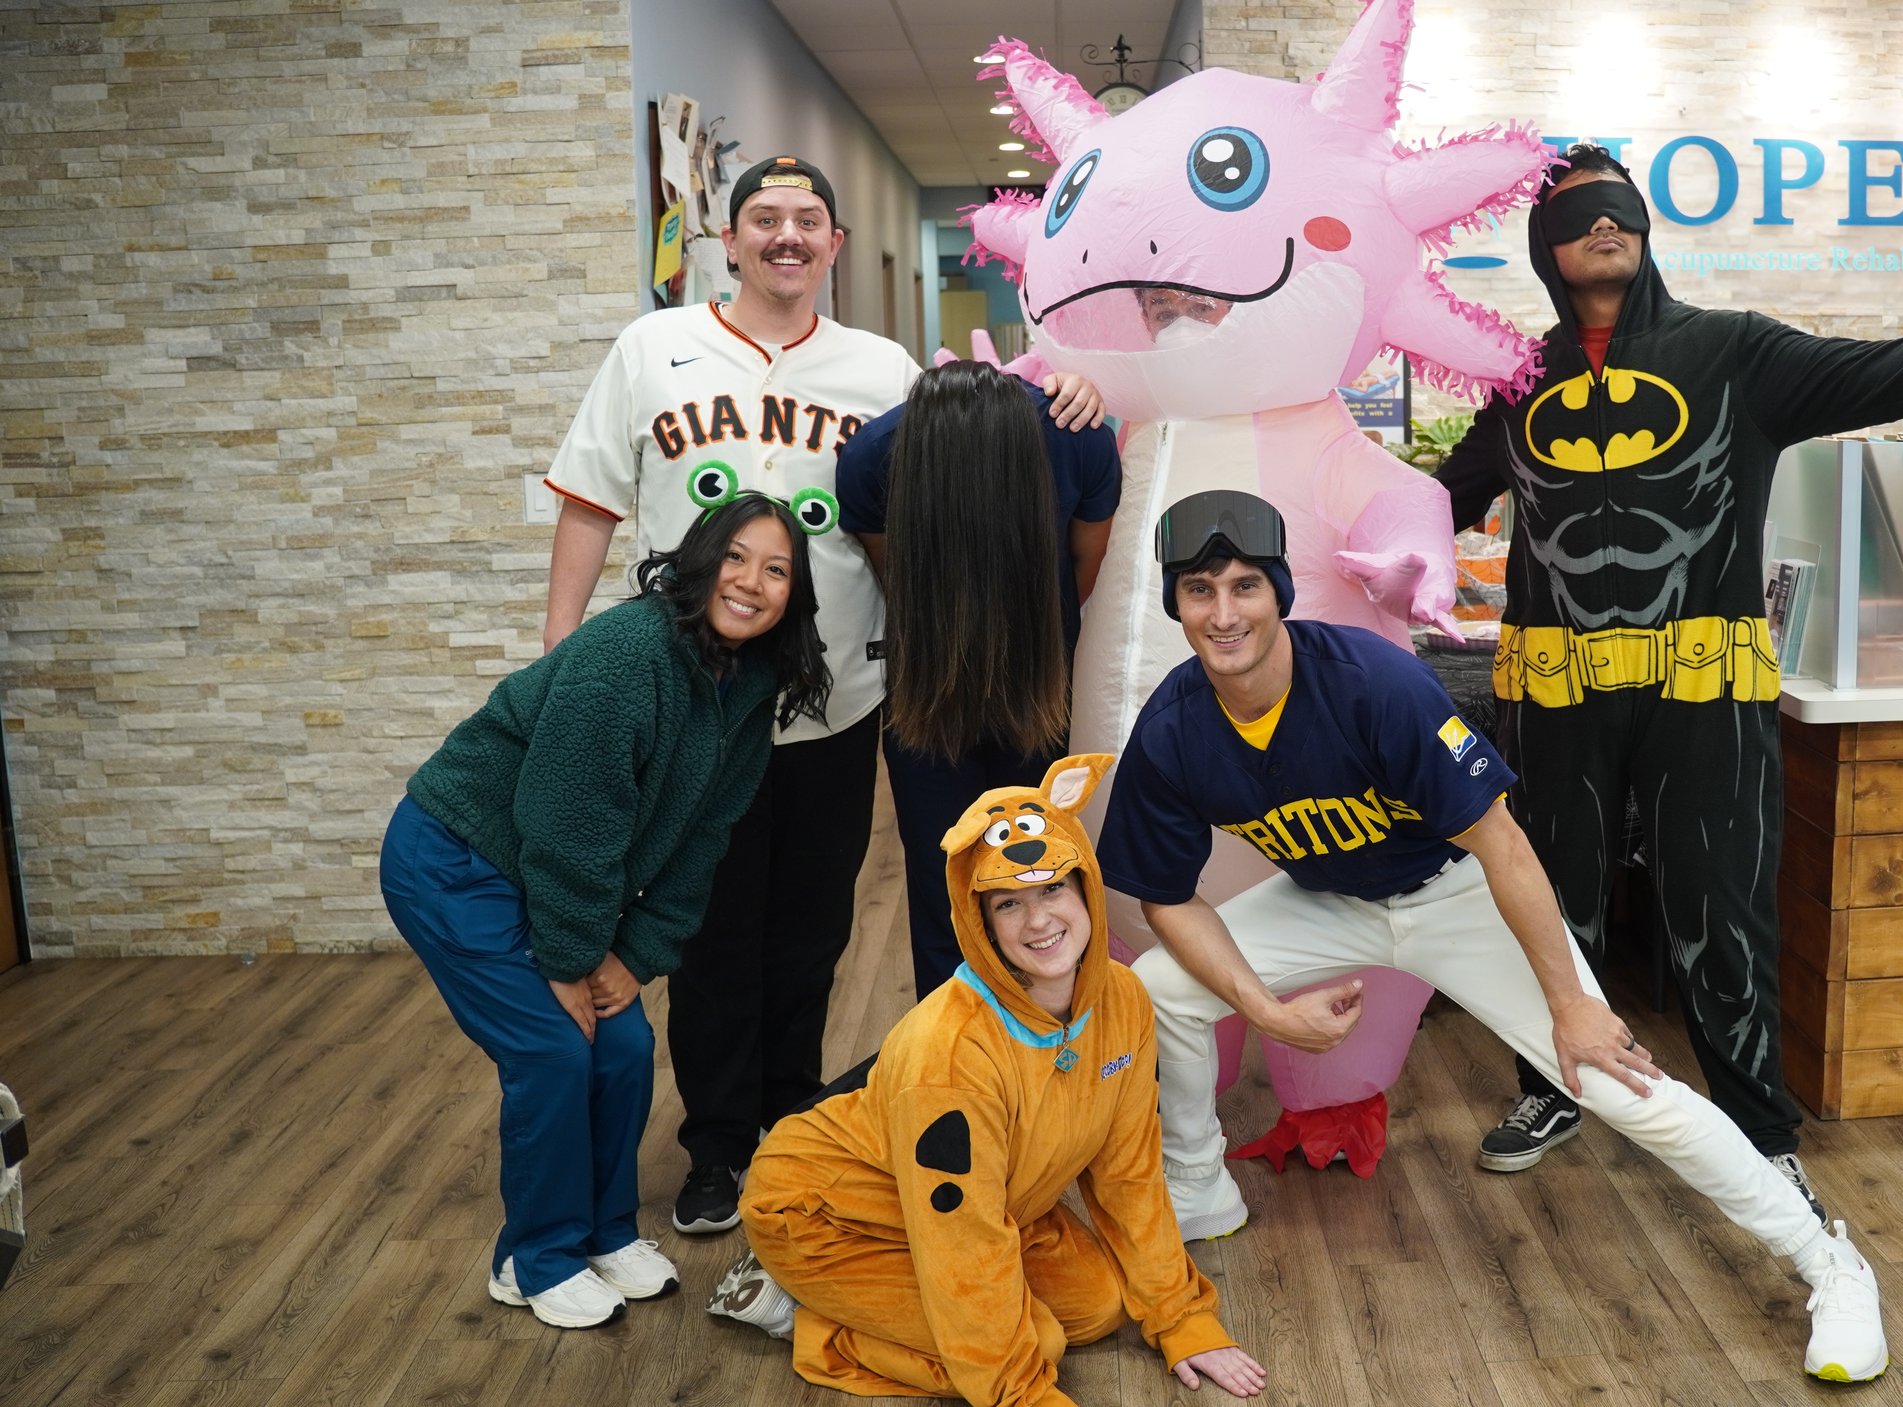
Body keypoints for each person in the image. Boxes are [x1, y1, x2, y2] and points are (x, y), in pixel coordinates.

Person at [1435, 145, 1903, 1203]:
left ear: (1644, 228)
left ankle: (1759, 1133)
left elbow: (1874, 371)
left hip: (1703, 696)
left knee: (1722, 910)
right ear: (1546, 246)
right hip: (1561, 702)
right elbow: (1428, 502)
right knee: (1551, 908)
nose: (1603, 226)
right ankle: (1553, 1083)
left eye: (1618, 210)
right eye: (1577, 216)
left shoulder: (1733, 354)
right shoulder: (1518, 385)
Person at [1098, 490, 1889, 1383]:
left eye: (1245, 585)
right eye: (1200, 590)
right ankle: (1197, 1183)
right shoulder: (1172, 731)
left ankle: (1829, 1258)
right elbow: (1169, 898)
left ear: (1280, 592)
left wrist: (1569, 1008)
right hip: (1330, 896)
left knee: (1611, 1077)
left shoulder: (1375, 685)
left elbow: (1503, 843)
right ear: (1176, 604)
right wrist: (1263, 1010)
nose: (1224, 611)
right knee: (1160, 986)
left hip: (1455, 890)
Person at [537, 153, 1103, 1235]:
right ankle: (715, 1147)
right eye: (764, 219)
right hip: (692, 708)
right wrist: (561, 660)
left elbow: (953, 487)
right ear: (730, 239)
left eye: (808, 221)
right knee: (708, 937)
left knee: (809, 933)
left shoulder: (882, 367)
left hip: (840, 699)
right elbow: (589, 505)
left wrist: (1066, 387)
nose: (787, 236)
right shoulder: (651, 349)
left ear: (835, 246)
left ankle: (791, 1125)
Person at [378, 494, 831, 1329]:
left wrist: (635, 953)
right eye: (735, 557)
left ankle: (603, 1232)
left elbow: (705, 835)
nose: (751, 582)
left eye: (776, 570)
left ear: (793, 596)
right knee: (554, 1048)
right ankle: (533, 1258)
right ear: (700, 561)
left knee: (622, 1039)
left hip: (538, 872)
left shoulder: (749, 680)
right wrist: (568, 957)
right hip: (454, 857)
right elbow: (567, 819)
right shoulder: (627, 655)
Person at [717, 755, 1268, 1405]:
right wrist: (1024, 1393)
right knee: (1034, 1342)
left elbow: (1130, 1174)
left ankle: (871, 1306)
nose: (1039, 921)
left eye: (1052, 887)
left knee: (1096, 1308)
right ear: (980, 920)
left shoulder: (1122, 998)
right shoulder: (948, 1055)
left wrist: (1182, 1318)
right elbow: (961, 1242)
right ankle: (810, 1315)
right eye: (1009, 902)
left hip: (995, 1200)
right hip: (824, 1213)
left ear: (1085, 885)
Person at [835, 358, 1119, 999]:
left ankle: (993, 1047)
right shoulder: (1078, 440)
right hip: (941, 691)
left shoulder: (871, 453)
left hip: (1020, 688)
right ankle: (1004, 1048)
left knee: (975, 886)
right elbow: (1082, 567)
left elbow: (893, 575)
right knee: (1004, 877)